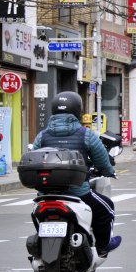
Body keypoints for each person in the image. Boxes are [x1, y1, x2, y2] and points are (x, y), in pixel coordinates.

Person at [32, 91, 121, 257]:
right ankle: (103, 245)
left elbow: (32, 157)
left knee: (36, 213)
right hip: (77, 192)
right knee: (107, 209)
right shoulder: (86, 134)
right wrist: (109, 171)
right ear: (77, 110)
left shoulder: (42, 136)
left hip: (46, 194)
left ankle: (40, 249)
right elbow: (102, 159)